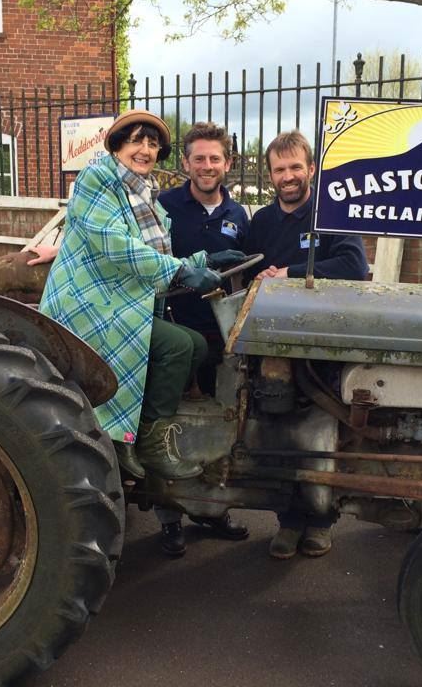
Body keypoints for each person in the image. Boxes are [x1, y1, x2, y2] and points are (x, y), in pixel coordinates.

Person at [35, 109, 242, 482]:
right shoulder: (98, 179)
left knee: (197, 346)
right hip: (91, 303)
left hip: (123, 300)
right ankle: (140, 440)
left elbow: (155, 255)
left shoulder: (144, 195)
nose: (145, 149)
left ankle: (143, 430)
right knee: (180, 346)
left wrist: (203, 259)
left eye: (152, 143)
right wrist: (181, 272)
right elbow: (115, 245)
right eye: (136, 141)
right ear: (117, 146)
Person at [243, 130, 369, 560]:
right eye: (280, 169)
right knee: (278, 431)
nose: (289, 176)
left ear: (311, 169)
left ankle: (320, 522)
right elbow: (245, 270)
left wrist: (290, 273)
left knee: (321, 432)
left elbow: (353, 266)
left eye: (296, 167)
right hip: (274, 347)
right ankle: (288, 520)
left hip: (324, 345)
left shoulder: (333, 214)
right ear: (270, 175)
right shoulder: (260, 223)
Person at [153, 121, 251, 556]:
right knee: (167, 420)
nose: (207, 166)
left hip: (218, 334)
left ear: (226, 164)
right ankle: (167, 517)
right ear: (186, 163)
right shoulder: (164, 205)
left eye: (215, 159)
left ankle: (210, 510)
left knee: (215, 424)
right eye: (199, 158)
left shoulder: (238, 215)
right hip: (173, 328)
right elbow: (149, 258)